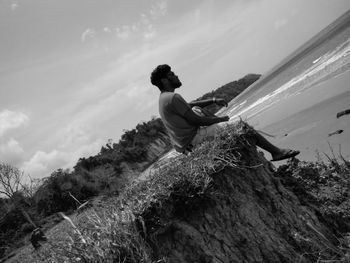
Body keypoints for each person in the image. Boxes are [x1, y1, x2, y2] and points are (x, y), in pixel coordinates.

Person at [150, 64, 300, 161]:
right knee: (242, 127)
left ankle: (223, 129)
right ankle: (276, 152)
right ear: (164, 80)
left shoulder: (164, 98)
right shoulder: (173, 97)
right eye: (171, 75)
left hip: (185, 145)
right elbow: (196, 120)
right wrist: (220, 120)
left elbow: (191, 106)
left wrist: (214, 99)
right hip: (194, 140)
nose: (176, 76)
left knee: (197, 109)